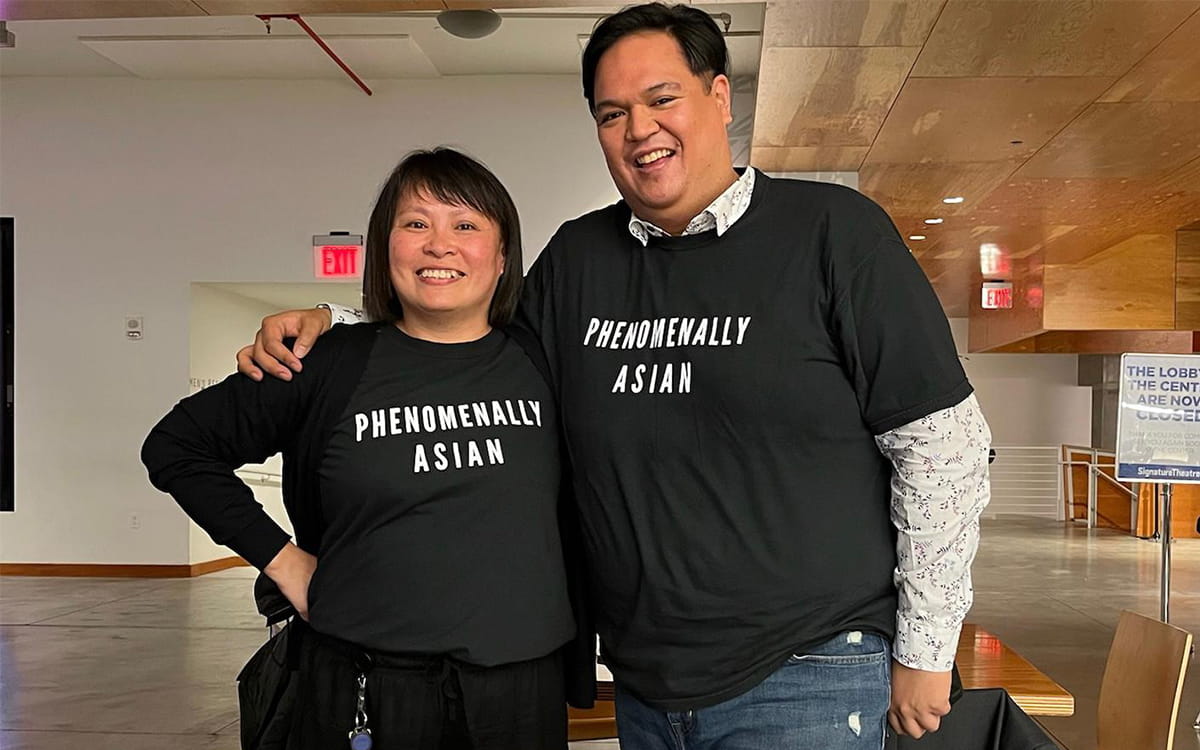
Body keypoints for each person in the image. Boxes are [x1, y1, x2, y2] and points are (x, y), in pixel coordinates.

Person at [237, 4, 992, 748]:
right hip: (646, 678)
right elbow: (467, 343)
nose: (639, 129)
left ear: (719, 96)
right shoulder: (578, 259)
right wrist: (335, 321)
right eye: (612, 113)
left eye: (662, 99)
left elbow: (941, 444)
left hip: (810, 667)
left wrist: (927, 647)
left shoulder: (833, 232)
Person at [142, 148, 592, 750]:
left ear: (504, 254)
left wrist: (329, 311)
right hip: (365, 685)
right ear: (385, 247)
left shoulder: (546, 359)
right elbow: (177, 446)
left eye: (465, 225)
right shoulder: (326, 364)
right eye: (416, 223)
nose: (440, 245)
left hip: (518, 691)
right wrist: (283, 561)